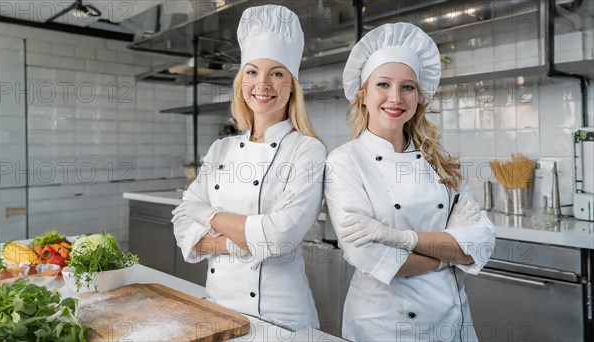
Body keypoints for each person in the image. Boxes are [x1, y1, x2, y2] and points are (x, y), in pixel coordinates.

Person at [324, 23, 496, 341]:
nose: (396, 97)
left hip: (451, 321)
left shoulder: (436, 159)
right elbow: (372, 257)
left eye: (407, 87)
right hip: (384, 325)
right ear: (362, 95)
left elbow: (482, 241)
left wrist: (397, 237)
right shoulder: (345, 161)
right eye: (383, 84)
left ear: (418, 96)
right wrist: (451, 251)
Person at [171, 4, 324, 331]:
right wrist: (238, 242)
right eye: (252, 72)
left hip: (279, 319)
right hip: (215, 307)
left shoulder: (307, 150)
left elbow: (280, 236)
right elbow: (183, 219)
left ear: (292, 85)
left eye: (277, 73)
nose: (263, 84)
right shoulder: (221, 148)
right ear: (242, 80)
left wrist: (208, 216)